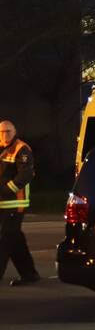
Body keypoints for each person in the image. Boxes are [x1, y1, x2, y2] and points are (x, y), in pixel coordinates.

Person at [0, 120, 41, 286]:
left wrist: (5, 190)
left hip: (15, 203)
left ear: (15, 131)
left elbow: (26, 174)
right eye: (2, 132)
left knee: (5, 240)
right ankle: (29, 274)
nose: (5, 135)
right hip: (2, 203)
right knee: (15, 239)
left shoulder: (21, 148)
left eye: (8, 131)